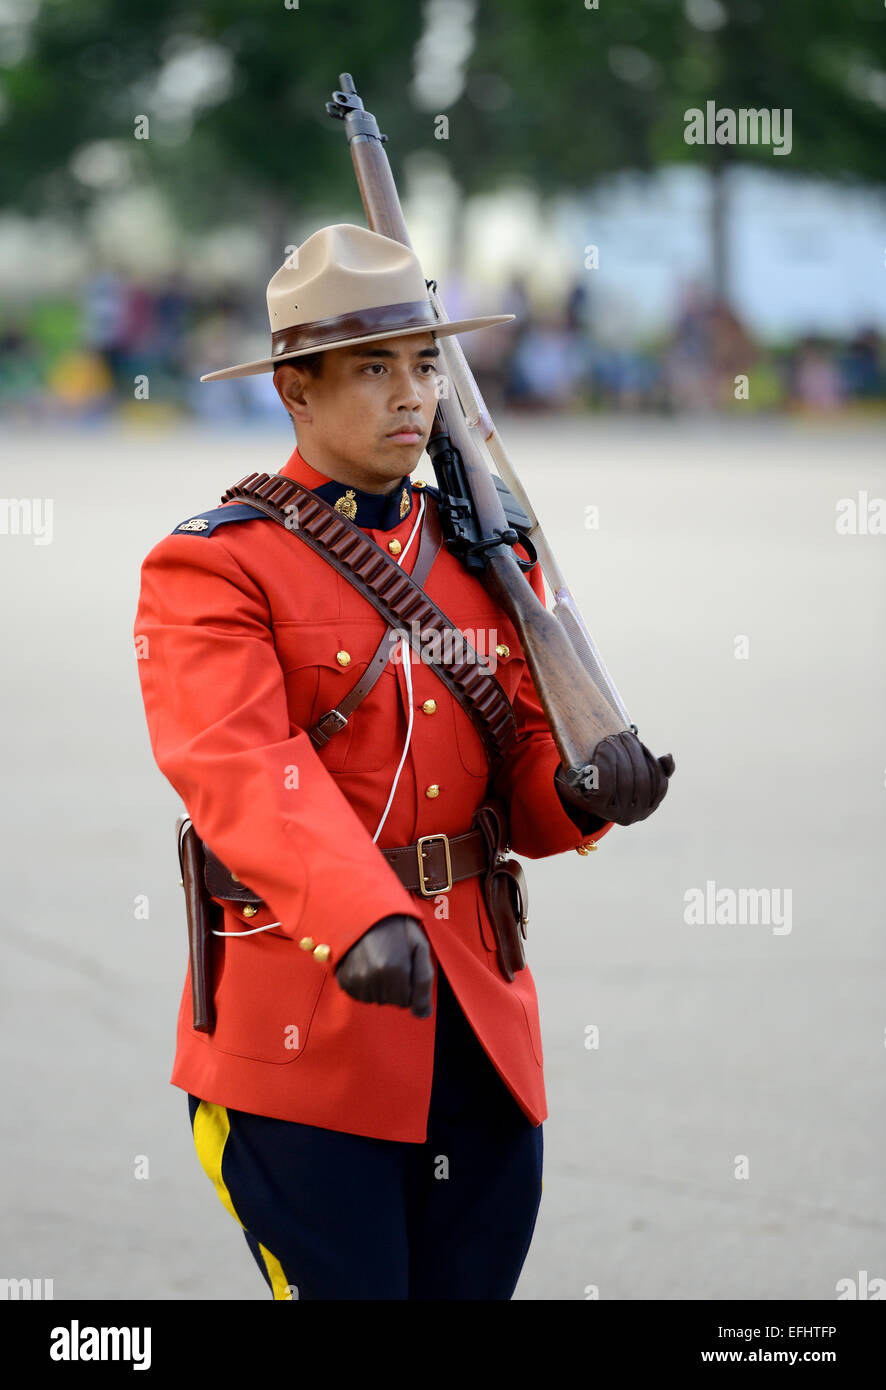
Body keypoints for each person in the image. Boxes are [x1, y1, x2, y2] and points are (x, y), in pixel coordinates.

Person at [133, 223, 673, 1300]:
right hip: (308, 1032)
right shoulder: (213, 564)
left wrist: (578, 789)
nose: (408, 395)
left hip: (477, 1020)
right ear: (294, 387)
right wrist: (363, 914)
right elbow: (242, 767)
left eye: (425, 363)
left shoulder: (481, 552)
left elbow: (519, 766)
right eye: (372, 367)